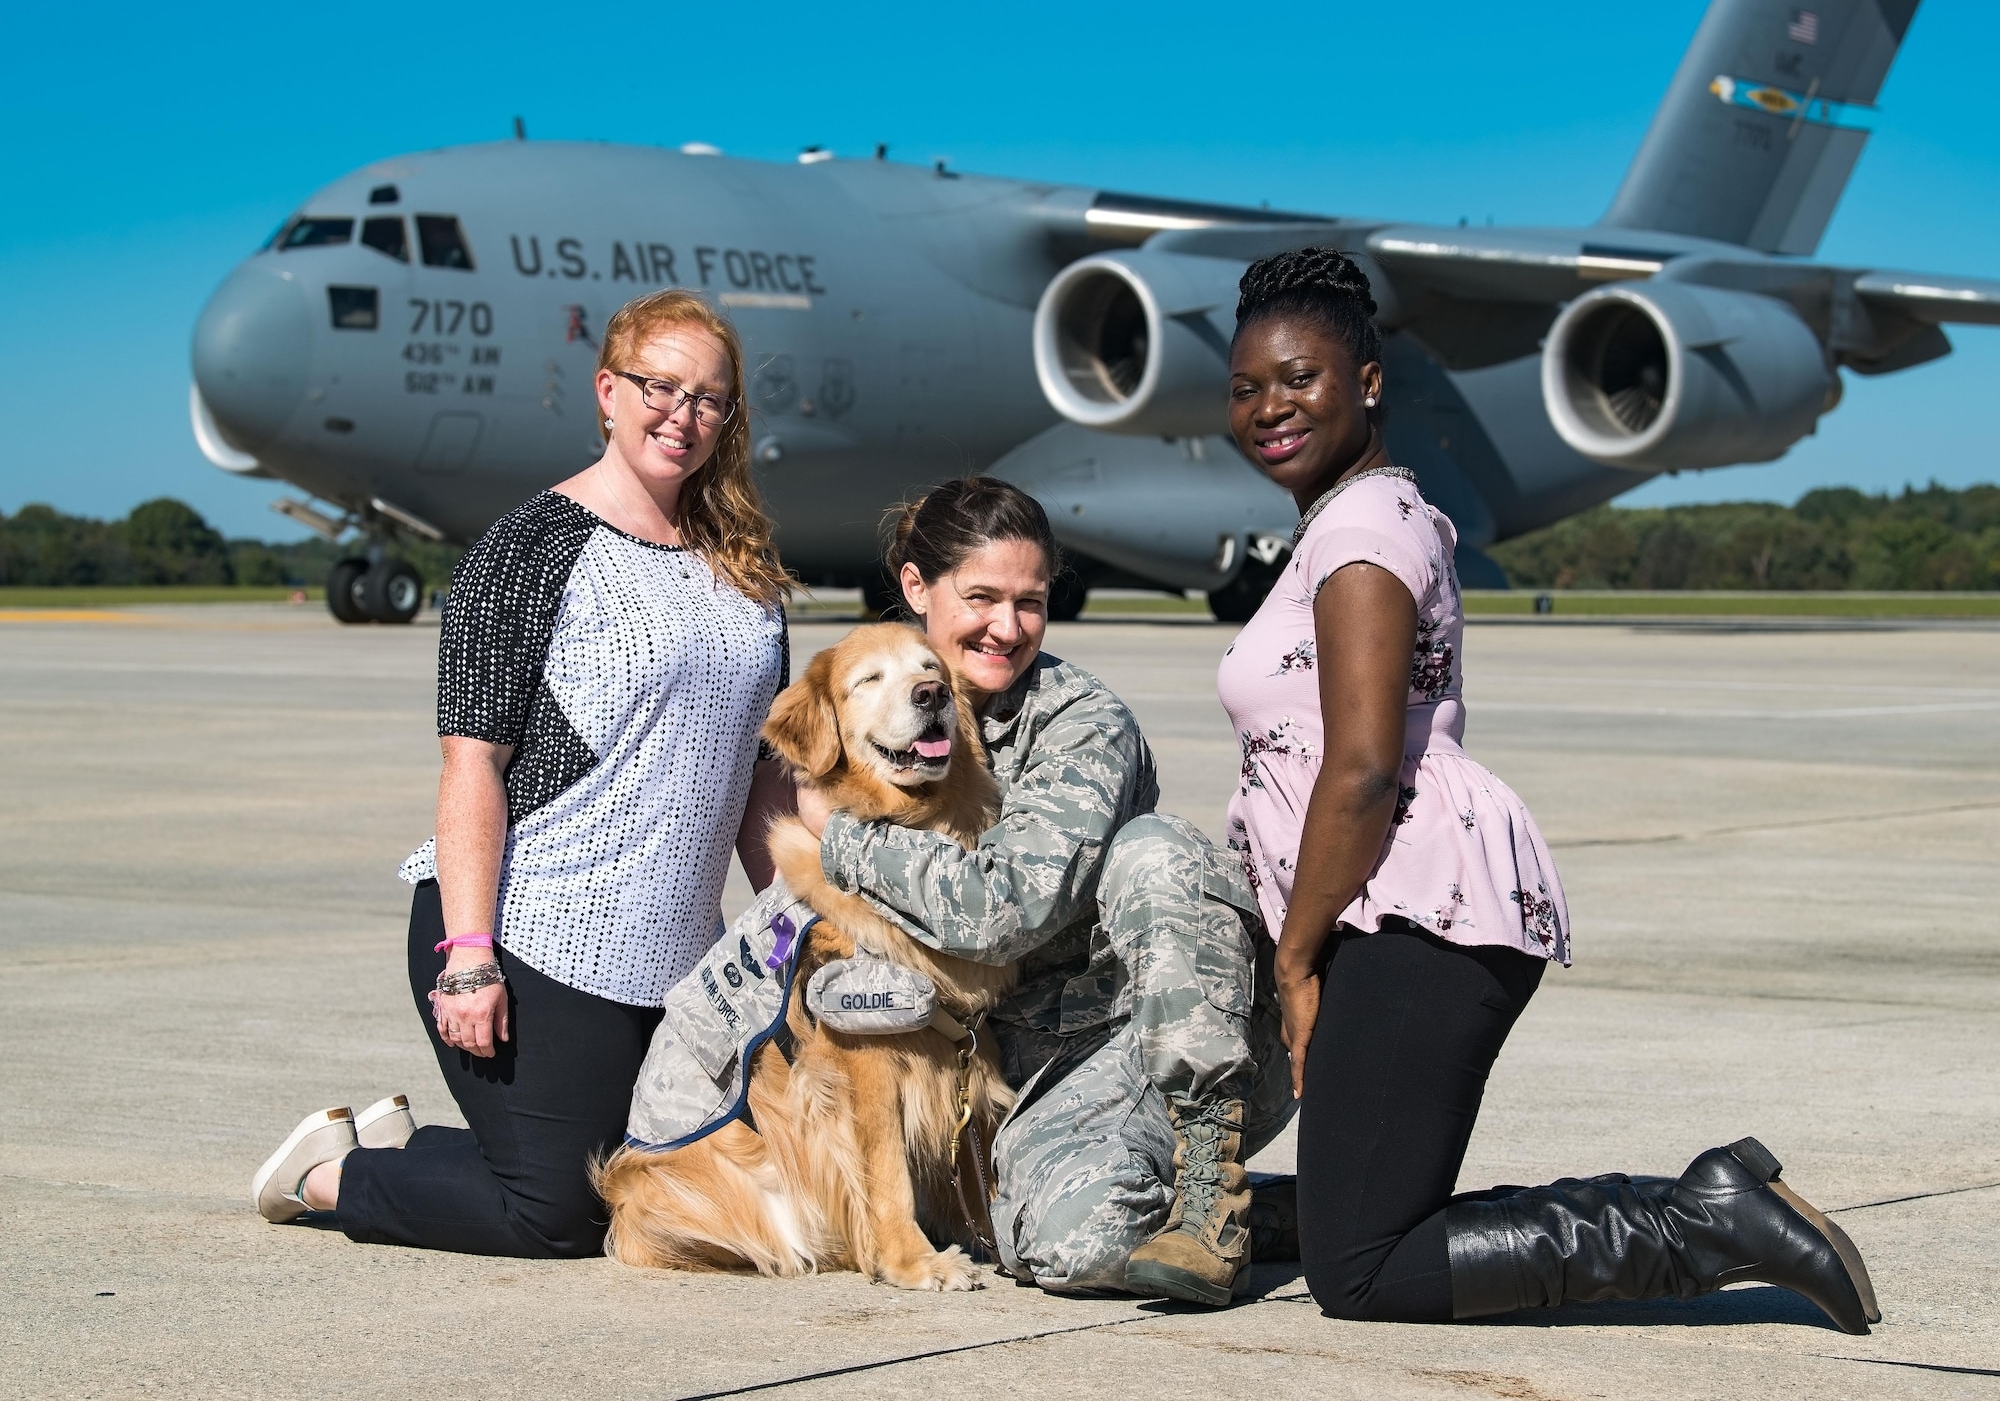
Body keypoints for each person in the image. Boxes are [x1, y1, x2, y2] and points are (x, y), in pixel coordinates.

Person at [1219, 247, 1879, 1332]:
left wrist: (1292, 958)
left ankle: (1698, 1224)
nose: (1267, 408)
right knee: (1363, 1233)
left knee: (1364, 1270)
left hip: (1415, 908)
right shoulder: (1374, 515)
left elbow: (1361, 765)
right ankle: (1696, 1213)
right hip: (1401, 904)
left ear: (1369, 382)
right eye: (1245, 388)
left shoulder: (1355, 533)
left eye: (1299, 379)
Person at [249, 289, 796, 1258]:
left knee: (679, 1188)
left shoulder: (744, 570)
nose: (683, 415)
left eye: (710, 398)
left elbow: (758, 778)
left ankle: (417, 1143)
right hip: (532, 931)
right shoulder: (528, 548)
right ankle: (333, 1173)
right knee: (560, 1213)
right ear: (606, 392)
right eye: (658, 387)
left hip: (675, 957)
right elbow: (472, 764)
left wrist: (803, 929)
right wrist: (469, 956)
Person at [793, 477, 1294, 1305]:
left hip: (1150, 1039)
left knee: (1153, 852)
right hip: (1035, 1071)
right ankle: (1282, 1219)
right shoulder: (886, 713)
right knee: (1060, 1248)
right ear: (918, 588)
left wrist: (839, 835)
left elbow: (1004, 913)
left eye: (1030, 602)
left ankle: (1212, 1191)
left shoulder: (1081, 724)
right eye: (981, 597)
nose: (1008, 626)